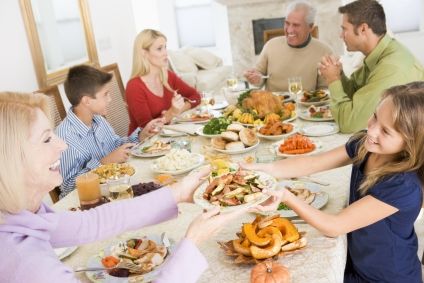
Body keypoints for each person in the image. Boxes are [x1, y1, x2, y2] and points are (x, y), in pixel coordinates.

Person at [0, 91, 249, 283]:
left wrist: (178, 193)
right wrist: (193, 243)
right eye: (46, 139)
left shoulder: (20, 215)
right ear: (10, 160)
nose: (62, 146)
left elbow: (92, 222)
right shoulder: (28, 265)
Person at [244, 82, 424, 282]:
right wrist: (266, 170)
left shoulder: (403, 187)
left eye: (386, 131)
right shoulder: (365, 145)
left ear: (412, 143)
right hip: (358, 261)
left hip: (385, 276)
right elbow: (312, 163)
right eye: (375, 117)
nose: (371, 130)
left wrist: (287, 196)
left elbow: (335, 226)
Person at [56, 65, 165, 198]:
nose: (110, 99)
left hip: (116, 188)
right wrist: (103, 163)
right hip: (90, 201)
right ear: (87, 101)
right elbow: (67, 188)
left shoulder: (98, 120)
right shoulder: (65, 137)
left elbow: (115, 145)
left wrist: (141, 136)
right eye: (105, 95)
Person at [319, 0, 424, 133]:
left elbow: (350, 125)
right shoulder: (378, 54)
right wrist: (338, 74)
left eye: (344, 29)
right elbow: (356, 93)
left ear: (363, 29)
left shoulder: (391, 68)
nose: (341, 35)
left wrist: (333, 80)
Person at [243, 0, 333, 92]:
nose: (289, 30)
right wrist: (256, 78)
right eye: (287, 23)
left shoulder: (324, 51)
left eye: (296, 25)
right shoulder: (271, 45)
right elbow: (260, 77)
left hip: (307, 105)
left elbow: (325, 91)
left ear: (310, 27)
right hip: (274, 105)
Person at [126, 29, 201, 133]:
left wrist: (179, 109)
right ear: (144, 53)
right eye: (159, 49)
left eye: (165, 47)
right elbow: (148, 131)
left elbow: (196, 96)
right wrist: (171, 113)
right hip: (143, 145)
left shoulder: (168, 76)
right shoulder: (134, 87)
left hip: (167, 135)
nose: (166, 53)